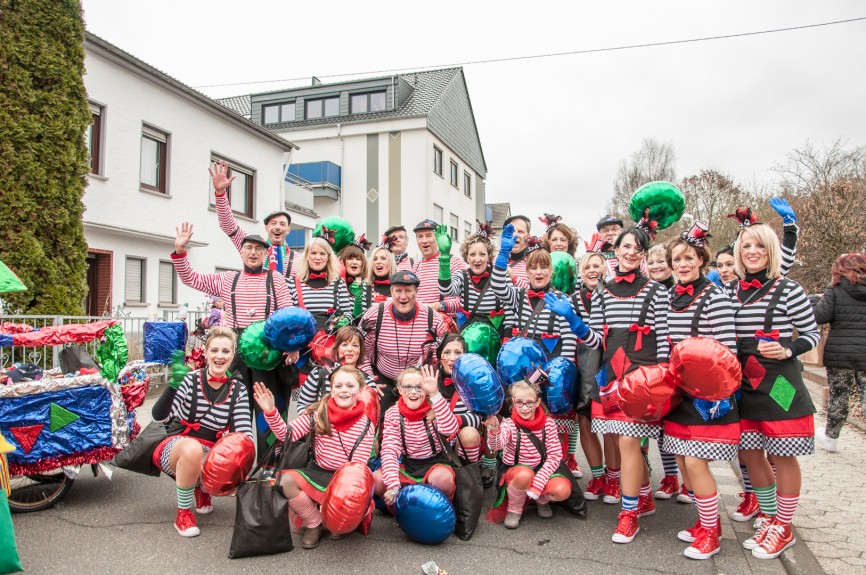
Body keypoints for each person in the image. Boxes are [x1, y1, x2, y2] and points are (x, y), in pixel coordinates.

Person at [546, 225, 670, 544]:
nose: (630, 252)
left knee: (629, 443)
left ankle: (629, 514)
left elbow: (664, 341)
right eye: (625, 246)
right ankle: (643, 497)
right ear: (616, 250)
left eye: (637, 248)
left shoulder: (656, 291)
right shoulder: (605, 291)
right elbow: (596, 339)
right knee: (628, 442)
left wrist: (661, 379)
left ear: (643, 254)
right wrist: (573, 320)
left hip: (644, 376)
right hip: (613, 376)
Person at [728, 222, 819, 560]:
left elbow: (811, 334)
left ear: (771, 251)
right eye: (747, 245)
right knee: (750, 454)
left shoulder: (789, 289)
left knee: (782, 453)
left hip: (780, 383)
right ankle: (768, 516)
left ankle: (784, 525)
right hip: (743, 384)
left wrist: (788, 350)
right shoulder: (728, 291)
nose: (752, 252)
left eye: (760, 246)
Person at [170, 223, 296, 464]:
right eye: (248, 248)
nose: (253, 253)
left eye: (259, 249)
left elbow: (288, 316)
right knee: (234, 408)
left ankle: (268, 467)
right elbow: (191, 279)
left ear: (266, 253)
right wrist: (180, 251)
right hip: (235, 350)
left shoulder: (276, 279)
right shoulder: (228, 279)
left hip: (267, 351)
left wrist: (291, 346)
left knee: (268, 408)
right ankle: (234, 465)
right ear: (241, 251)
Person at [662, 223, 739, 560]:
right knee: (682, 461)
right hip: (680, 391)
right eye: (677, 258)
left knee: (695, 462)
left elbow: (728, 350)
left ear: (701, 259)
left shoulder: (715, 297)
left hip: (708, 393)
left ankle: (712, 531)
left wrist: (715, 394)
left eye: (689, 257)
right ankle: (702, 521)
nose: (683, 263)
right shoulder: (669, 297)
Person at [254, 365, 376, 549]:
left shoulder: (366, 423)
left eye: (350, 386)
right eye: (338, 385)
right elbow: (286, 435)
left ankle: (333, 519)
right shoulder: (319, 413)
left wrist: (346, 500)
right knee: (285, 481)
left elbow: (358, 467)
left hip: (345, 479)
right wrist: (270, 411)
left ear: (359, 391)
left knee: (339, 526)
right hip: (317, 471)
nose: (344, 390)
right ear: (332, 389)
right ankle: (314, 522)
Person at [150, 327, 253, 537]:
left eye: (226, 351)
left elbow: (244, 436)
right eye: (214, 350)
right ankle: (184, 513)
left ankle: (202, 488)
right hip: (176, 448)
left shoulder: (238, 389)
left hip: (210, 451)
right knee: (192, 448)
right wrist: (172, 386)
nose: (219, 356)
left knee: (229, 462)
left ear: (232, 356)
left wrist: (239, 468)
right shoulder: (190, 380)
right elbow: (159, 417)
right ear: (205, 353)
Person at [359, 270, 449, 423]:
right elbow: (362, 353)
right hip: (382, 377)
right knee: (376, 420)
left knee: (420, 422)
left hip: (418, 380)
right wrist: (370, 381)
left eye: (408, 291)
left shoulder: (433, 319)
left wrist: (432, 391)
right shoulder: (374, 315)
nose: (403, 296)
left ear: (416, 292)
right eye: (398, 291)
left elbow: (437, 358)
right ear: (391, 292)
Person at [485, 381, 574, 529]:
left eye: (529, 403)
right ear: (513, 402)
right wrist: (494, 430)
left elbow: (555, 456)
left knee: (562, 490)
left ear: (538, 402)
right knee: (524, 474)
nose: (525, 408)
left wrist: (539, 482)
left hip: (541, 470)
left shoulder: (549, 424)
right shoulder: (509, 424)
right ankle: (514, 508)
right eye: (519, 403)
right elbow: (496, 446)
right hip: (515, 471)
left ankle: (541, 499)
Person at [375, 365, 461, 506]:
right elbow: (390, 450)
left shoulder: (436, 407)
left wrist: (435, 395)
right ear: (400, 389)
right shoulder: (393, 413)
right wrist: (393, 485)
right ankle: (404, 505)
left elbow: (450, 429)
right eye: (408, 387)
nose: (413, 392)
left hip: (436, 464)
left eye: (419, 387)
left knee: (442, 479)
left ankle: (439, 507)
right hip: (409, 465)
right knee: (378, 480)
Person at [571, 251, 619, 501]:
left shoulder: (614, 293)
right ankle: (598, 475)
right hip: (582, 364)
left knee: (610, 422)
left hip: (610, 363)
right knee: (585, 420)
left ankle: (614, 478)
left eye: (597, 265)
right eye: (587, 266)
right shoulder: (573, 299)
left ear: (606, 268)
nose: (592, 270)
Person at [812, 253, 866, 452]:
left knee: (839, 397)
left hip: (840, 353)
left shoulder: (835, 288)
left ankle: (831, 439)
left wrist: (819, 301)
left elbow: (820, 316)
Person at [211, 160, 299, 279]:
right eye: (273, 223)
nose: (278, 227)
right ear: (266, 228)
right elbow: (228, 225)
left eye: (282, 224)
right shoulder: (251, 246)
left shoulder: (299, 259)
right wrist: (220, 194)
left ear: (288, 230)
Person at [644, 243, 684, 501]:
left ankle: (684, 480)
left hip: (680, 364)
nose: (657, 266)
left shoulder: (680, 290)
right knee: (653, 424)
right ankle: (664, 476)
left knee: (678, 426)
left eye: (662, 261)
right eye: (652, 261)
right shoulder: (645, 291)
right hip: (652, 364)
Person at [438, 221, 508, 335]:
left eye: (482, 254)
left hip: (495, 340)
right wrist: (445, 257)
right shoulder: (461, 275)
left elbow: (510, 308)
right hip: (468, 338)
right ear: (467, 258)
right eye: (472, 254)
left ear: (489, 257)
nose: (477, 259)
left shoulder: (500, 276)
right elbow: (446, 290)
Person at [295, 326, 378, 414]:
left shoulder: (368, 381)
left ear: (360, 351)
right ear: (337, 348)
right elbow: (303, 405)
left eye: (355, 345)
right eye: (344, 344)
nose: (349, 349)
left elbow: (369, 412)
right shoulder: (319, 374)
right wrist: (315, 421)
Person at [434, 334, 483, 462]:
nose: (452, 358)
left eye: (457, 352)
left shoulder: (472, 381)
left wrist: (452, 420)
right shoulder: (430, 378)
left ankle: (467, 470)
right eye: (447, 352)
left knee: (470, 434)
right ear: (439, 356)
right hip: (435, 438)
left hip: (461, 439)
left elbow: (477, 418)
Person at [412, 219, 467, 307]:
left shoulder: (454, 262)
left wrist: (439, 306)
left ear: (438, 238)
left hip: (444, 319)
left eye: (429, 235)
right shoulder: (416, 265)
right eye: (420, 236)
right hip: (420, 319)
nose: (424, 240)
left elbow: (464, 299)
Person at [339, 235, 372, 318]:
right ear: (344, 261)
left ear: (363, 263)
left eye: (358, 259)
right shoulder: (337, 283)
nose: (354, 262)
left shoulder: (368, 284)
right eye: (350, 258)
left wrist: (358, 300)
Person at [502, 215, 532, 288]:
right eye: (511, 231)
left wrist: (514, 278)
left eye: (520, 231)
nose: (515, 235)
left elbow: (536, 294)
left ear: (528, 236)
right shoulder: (494, 261)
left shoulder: (534, 262)